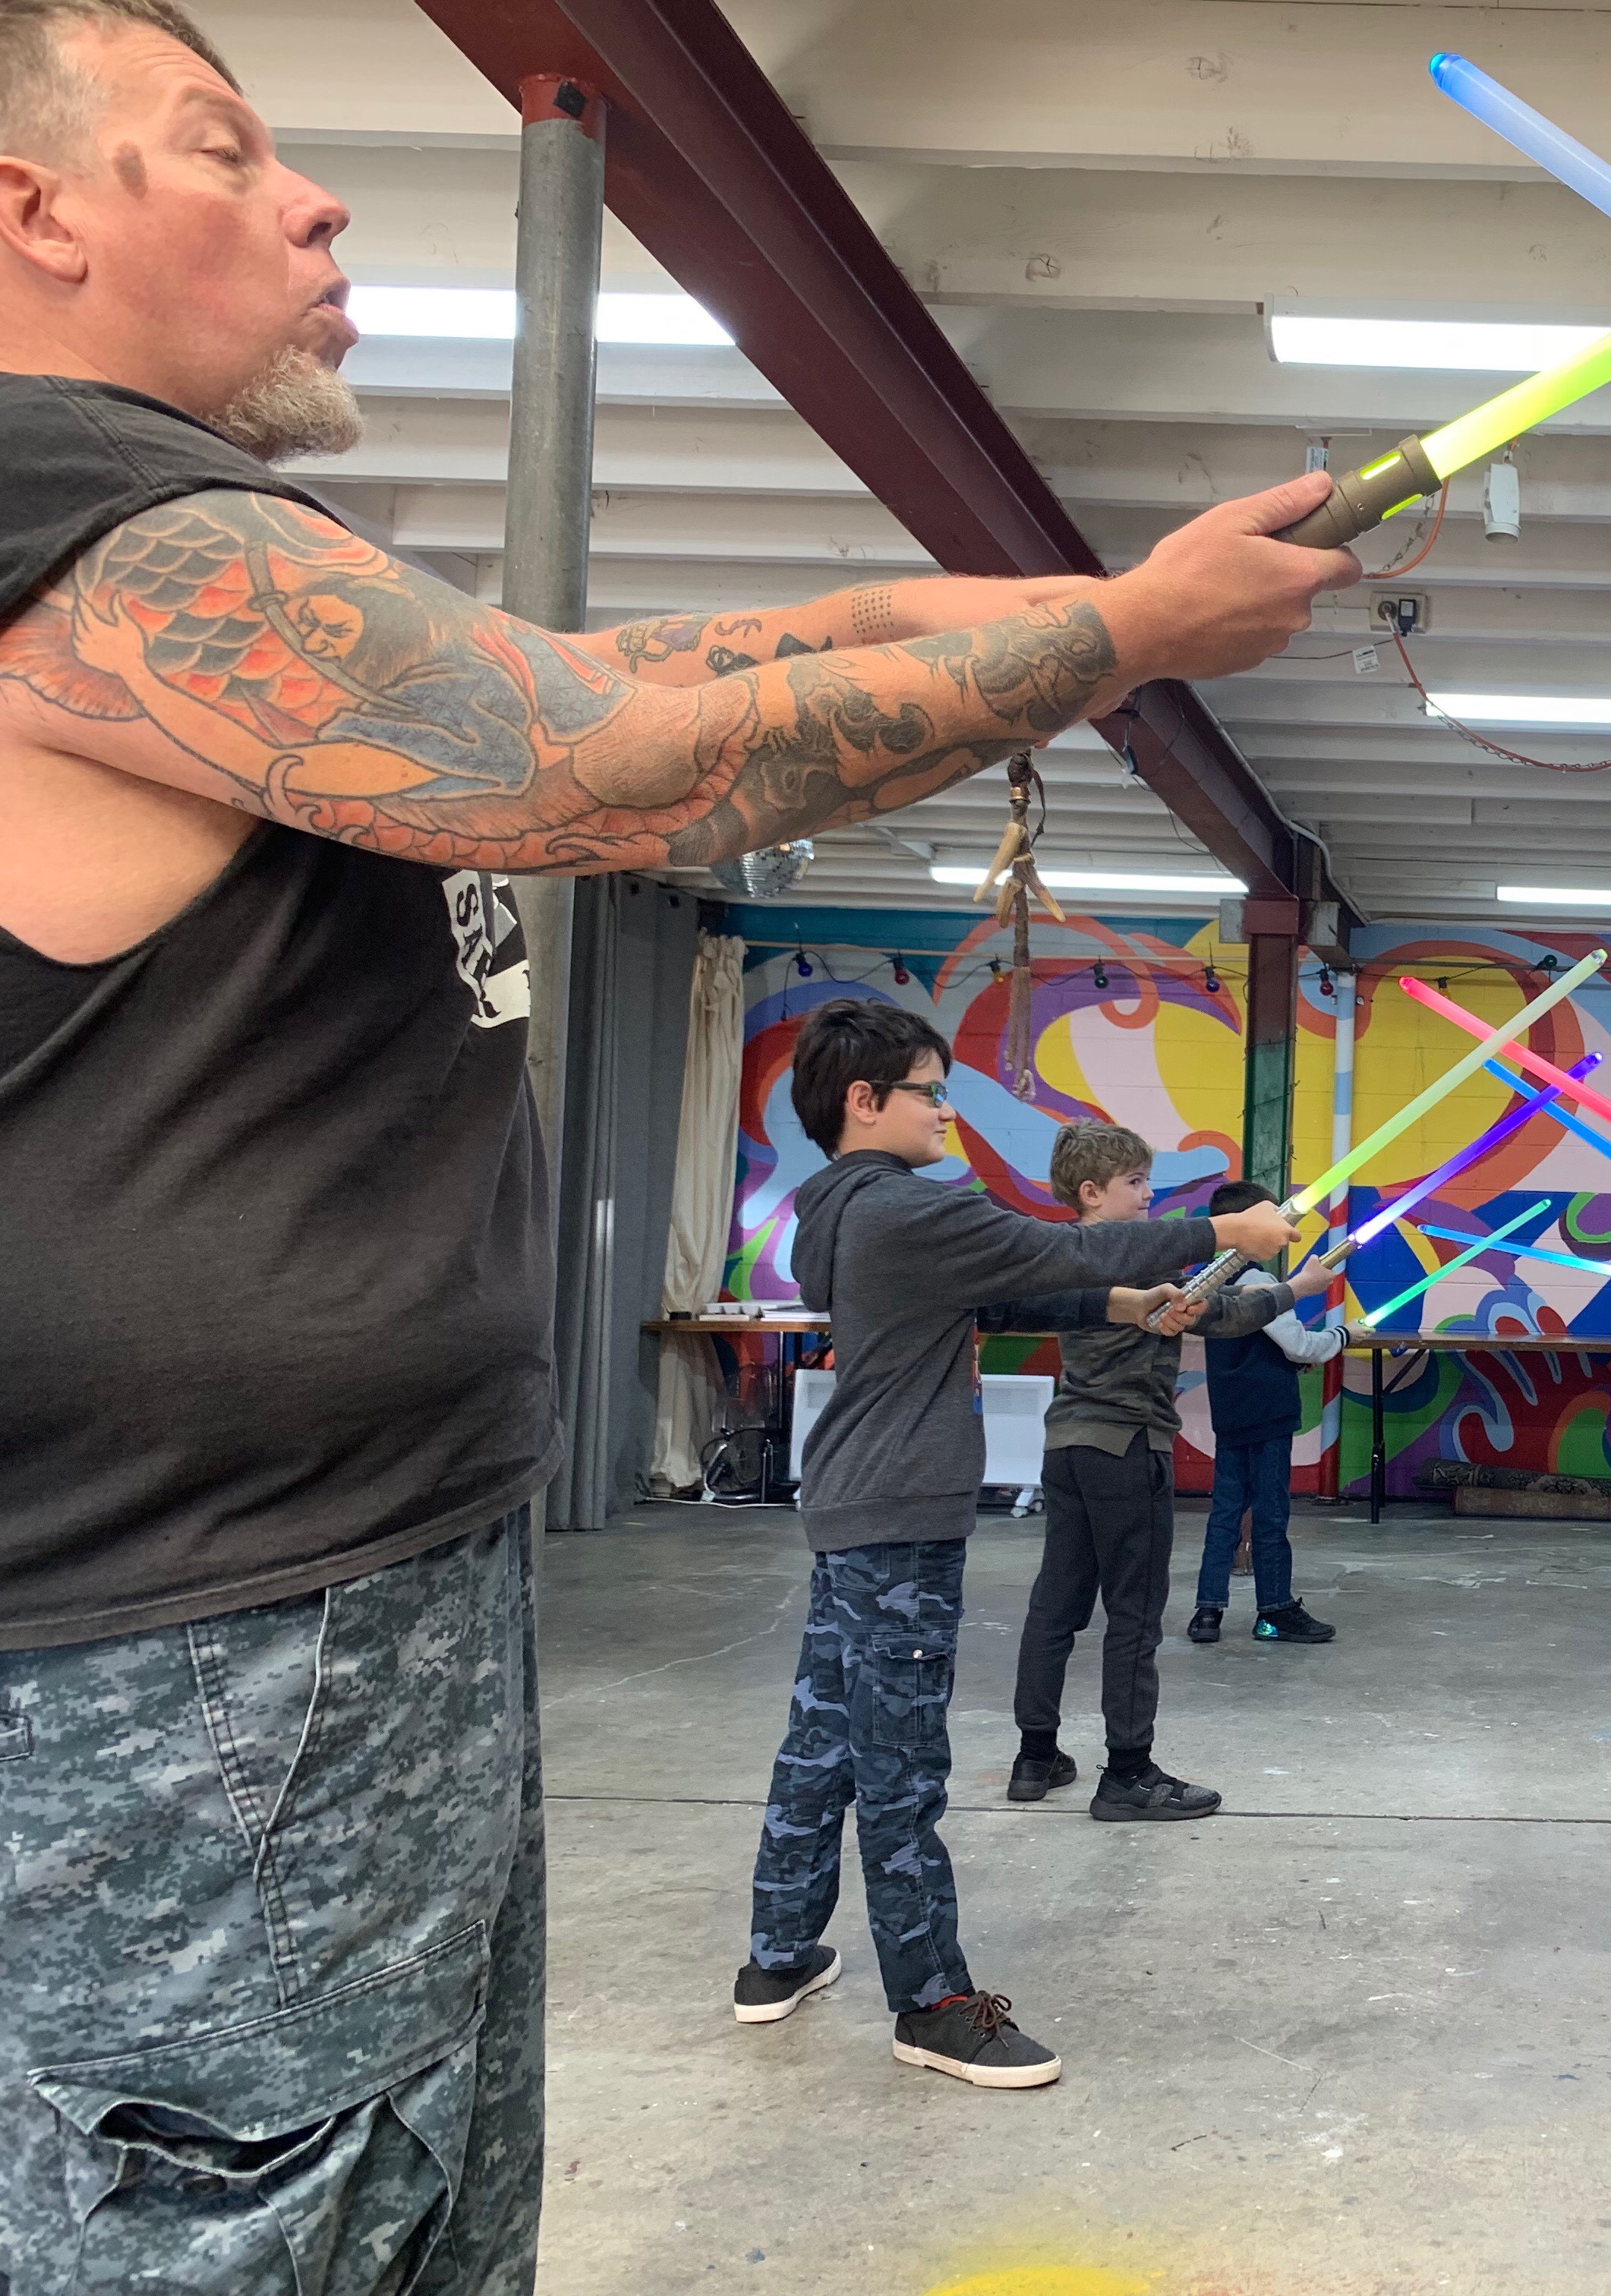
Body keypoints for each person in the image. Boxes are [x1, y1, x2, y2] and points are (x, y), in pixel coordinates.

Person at [0, 0, 1351, 2274]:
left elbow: (651, 661)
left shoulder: (182, 571)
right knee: (266, 2211)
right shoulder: (70, 506)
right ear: (28, 211)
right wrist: (1116, 635)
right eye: (223, 151)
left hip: (337, 1590)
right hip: (195, 1638)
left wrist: (1032, 617)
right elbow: (594, 764)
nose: (317, 198)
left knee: (405, 2196)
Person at [732, 1003, 1292, 2089]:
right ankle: (934, 2005)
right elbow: (1055, 1244)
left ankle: (777, 1957)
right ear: (865, 1101)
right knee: (899, 1772)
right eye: (931, 1091)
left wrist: (1123, 1301)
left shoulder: (838, 1207)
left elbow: (1017, 1282)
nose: (948, 1109)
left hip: (855, 1502)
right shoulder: (902, 1208)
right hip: (898, 1516)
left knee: (822, 1743)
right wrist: (1226, 1235)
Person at [1006, 1124, 1329, 1819]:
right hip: (1126, 1449)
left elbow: (1210, 1305)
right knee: (1134, 1612)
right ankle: (1128, 1771)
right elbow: (1221, 1315)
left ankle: (1036, 1755)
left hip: (1068, 1446)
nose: (1150, 1196)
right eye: (1136, 1184)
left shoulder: (1072, 1260)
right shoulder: (1122, 1262)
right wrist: (1296, 1287)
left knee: (1056, 1603)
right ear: (1092, 1193)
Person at [1187, 1178, 1349, 1648]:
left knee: (1225, 1512)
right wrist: (1345, 1336)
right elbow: (1300, 1346)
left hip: (1231, 1414)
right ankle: (1274, 1611)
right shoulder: (1259, 1282)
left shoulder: (1207, 1280)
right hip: (1269, 1415)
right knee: (1272, 1514)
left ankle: (1208, 1613)